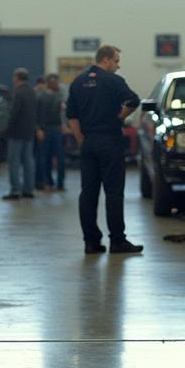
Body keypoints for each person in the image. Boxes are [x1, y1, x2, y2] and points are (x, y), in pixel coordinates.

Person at [66, 44, 142, 254]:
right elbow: (134, 101)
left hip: (88, 142)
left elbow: (71, 115)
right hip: (110, 141)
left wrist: (81, 139)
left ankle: (91, 242)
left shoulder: (78, 82)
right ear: (106, 60)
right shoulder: (113, 81)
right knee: (114, 192)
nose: (118, 66)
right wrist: (120, 117)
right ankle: (117, 241)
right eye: (116, 61)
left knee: (88, 192)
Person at [3, 67, 39, 199]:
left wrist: (7, 129)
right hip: (29, 132)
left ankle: (15, 190)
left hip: (16, 132)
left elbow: (14, 113)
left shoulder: (17, 92)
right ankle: (28, 189)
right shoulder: (31, 92)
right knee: (28, 160)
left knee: (14, 161)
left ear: (17, 77)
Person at [36, 73, 66, 190]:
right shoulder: (41, 97)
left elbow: (63, 114)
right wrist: (38, 129)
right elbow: (37, 115)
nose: (57, 84)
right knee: (45, 158)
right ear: (49, 83)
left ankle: (60, 183)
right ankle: (48, 182)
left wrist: (64, 126)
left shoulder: (60, 97)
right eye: (55, 82)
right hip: (46, 130)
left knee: (60, 158)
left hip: (57, 129)